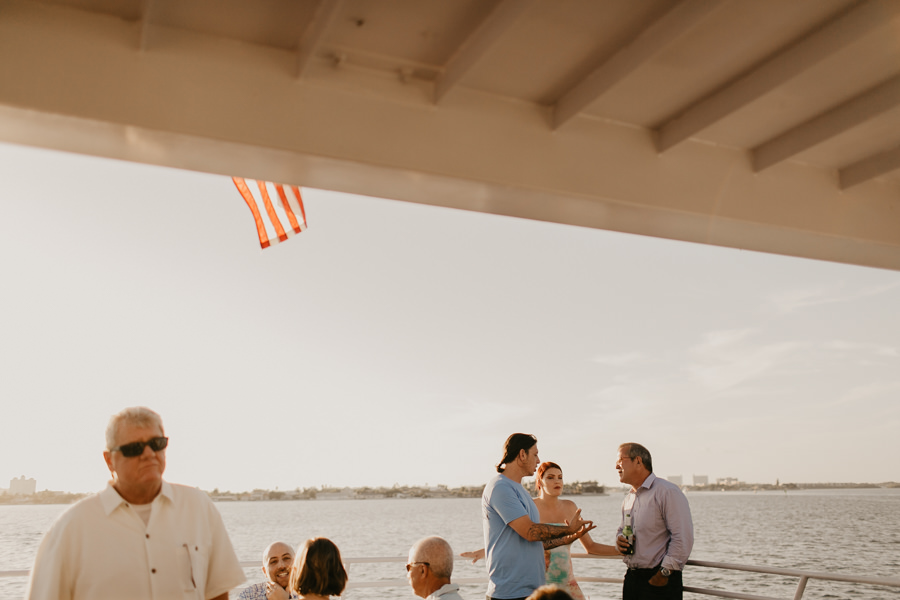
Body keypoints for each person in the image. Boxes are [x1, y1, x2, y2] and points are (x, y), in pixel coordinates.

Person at [25, 406, 246, 600]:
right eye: (134, 448)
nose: (149, 454)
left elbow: (217, 592)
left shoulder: (199, 508)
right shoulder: (71, 528)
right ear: (109, 460)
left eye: (156, 443)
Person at [463, 461, 619, 600]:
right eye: (550, 477)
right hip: (538, 587)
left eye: (560, 477)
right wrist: (484, 551)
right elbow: (515, 538)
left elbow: (590, 547)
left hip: (567, 584)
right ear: (539, 482)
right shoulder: (530, 507)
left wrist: (623, 551)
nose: (557, 481)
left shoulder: (570, 507)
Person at [481, 433, 594, 600]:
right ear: (522, 455)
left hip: (530, 590)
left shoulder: (520, 490)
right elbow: (530, 531)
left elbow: (534, 542)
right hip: (509, 593)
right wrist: (568, 529)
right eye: (535, 454)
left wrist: (567, 538)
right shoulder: (500, 487)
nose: (539, 460)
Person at [614, 443, 693, 600]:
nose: (616, 466)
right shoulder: (629, 498)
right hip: (632, 578)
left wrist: (664, 573)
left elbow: (682, 536)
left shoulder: (667, 491)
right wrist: (619, 540)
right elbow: (622, 530)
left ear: (638, 461)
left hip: (660, 580)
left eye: (620, 460)